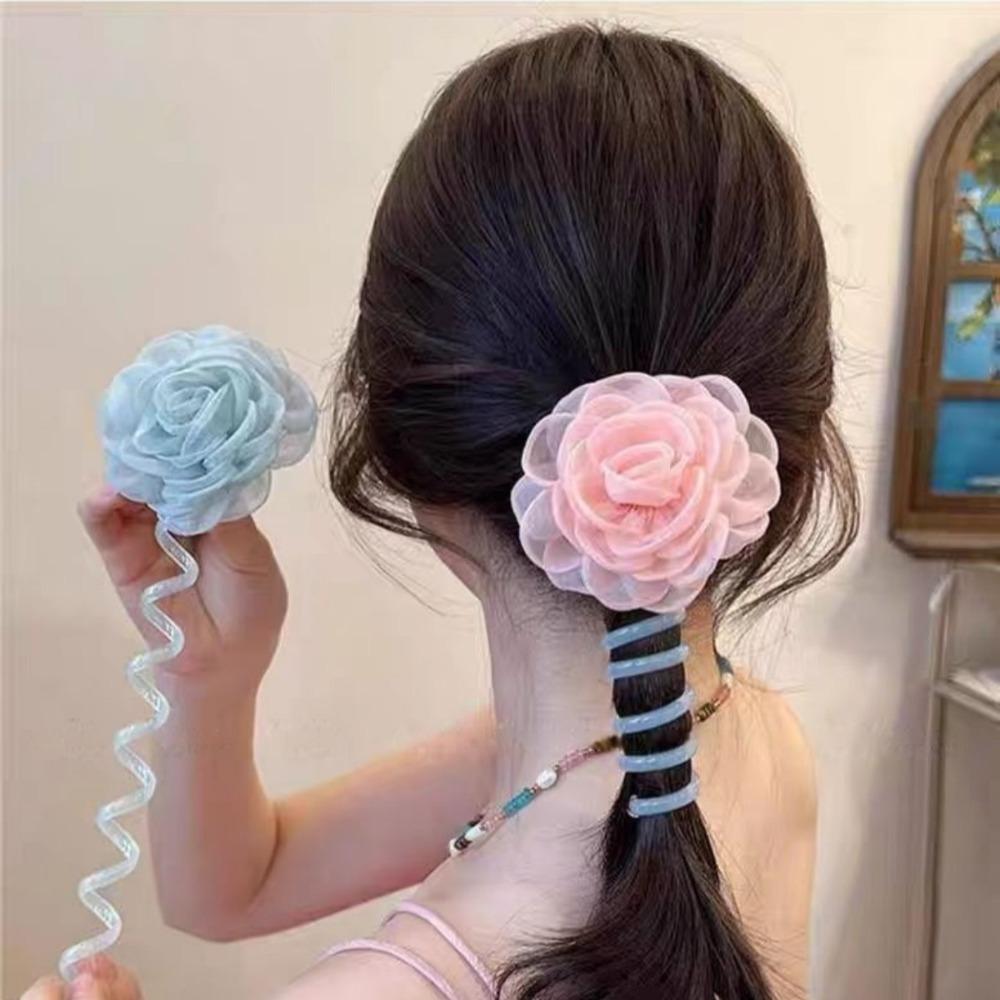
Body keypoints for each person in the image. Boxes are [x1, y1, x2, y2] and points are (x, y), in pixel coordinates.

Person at [26, 21, 858, 1000]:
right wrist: (207, 671)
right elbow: (230, 889)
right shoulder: (750, 738)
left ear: (412, 445)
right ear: (772, 444)